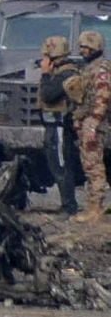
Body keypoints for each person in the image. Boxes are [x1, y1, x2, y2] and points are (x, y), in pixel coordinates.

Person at [67, 30, 111, 224]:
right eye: (82, 47)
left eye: (87, 47)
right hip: (87, 121)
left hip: (96, 123)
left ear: (97, 49)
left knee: (94, 166)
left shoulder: (101, 69)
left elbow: (103, 97)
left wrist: (93, 122)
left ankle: (95, 208)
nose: (83, 50)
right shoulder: (88, 69)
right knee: (89, 165)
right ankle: (94, 206)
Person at [38, 35, 81, 217]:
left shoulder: (67, 73)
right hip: (54, 126)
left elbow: (49, 95)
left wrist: (46, 73)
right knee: (57, 165)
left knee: (62, 167)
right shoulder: (61, 72)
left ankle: (69, 206)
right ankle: (67, 205)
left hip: (60, 126)